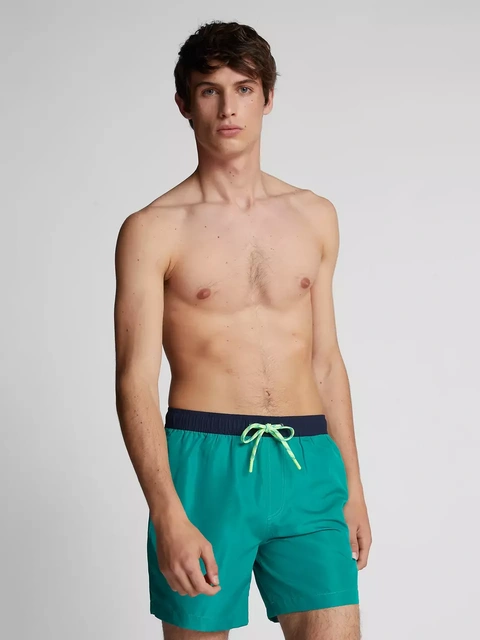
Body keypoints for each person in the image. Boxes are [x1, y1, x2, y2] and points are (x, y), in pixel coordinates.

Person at [114, 20, 372, 640]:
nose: (228, 108)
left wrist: (354, 486)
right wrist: (166, 511)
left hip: (310, 462)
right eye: (209, 90)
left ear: (268, 98)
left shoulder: (315, 215)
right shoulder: (153, 229)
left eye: (244, 88)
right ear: (185, 104)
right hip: (204, 466)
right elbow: (134, 381)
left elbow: (326, 361)